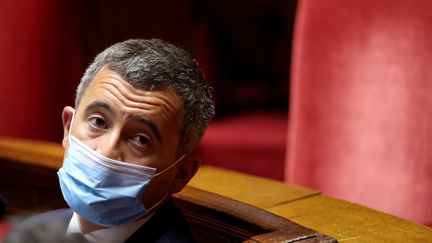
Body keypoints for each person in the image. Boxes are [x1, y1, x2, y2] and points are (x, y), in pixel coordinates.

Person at [5, 38, 215, 243]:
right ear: (68, 128)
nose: (106, 151)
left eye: (141, 140)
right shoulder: (31, 233)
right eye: (98, 122)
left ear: (182, 173)